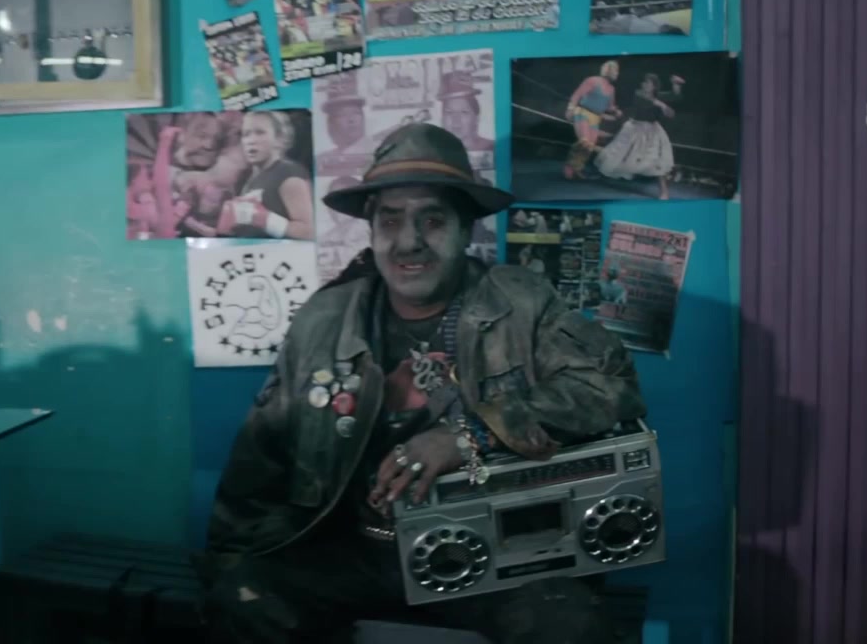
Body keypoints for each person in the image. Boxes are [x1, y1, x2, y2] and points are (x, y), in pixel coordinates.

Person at [202, 123, 646, 643]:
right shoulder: (325, 318)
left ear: (465, 229)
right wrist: (232, 564)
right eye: (390, 220)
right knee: (243, 600)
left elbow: (611, 389)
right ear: (372, 231)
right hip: (350, 549)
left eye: (432, 220)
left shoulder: (521, 302)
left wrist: (472, 434)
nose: (409, 241)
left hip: (496, 558)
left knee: (569, 627)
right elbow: (259, 459)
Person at [217, 111, 314, 240]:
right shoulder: (249, 178)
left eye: (260, 132)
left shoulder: (288, 173)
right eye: (246, 134)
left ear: (279, 139)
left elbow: (309, 232)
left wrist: (265, 219)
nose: (251, 141)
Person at [594, 73, 685, 199]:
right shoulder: (638, 94)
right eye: (644, 82)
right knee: (618, 154)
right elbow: (646, 101)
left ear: (654, 86)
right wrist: (662, 105)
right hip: (634, 129)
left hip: (652, 132)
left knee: (658, 161)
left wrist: (676, 84)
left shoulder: (658, 96)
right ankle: (602, 175)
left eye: (648, 83)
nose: (644, 84)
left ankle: (664, 192)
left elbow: (675, 96)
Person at [564, 60, 622, 180]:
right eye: (616, 70)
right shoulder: (593, 80)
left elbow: (609, 106)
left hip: (596, 118)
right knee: (585, 142)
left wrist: (616, 111)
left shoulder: (611, 89)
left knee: (589, 147)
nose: (617, 73)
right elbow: (577, 95)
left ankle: (577, 168)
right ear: (609, 70)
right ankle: (569, 166)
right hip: (583, 113)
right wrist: (570, 109)